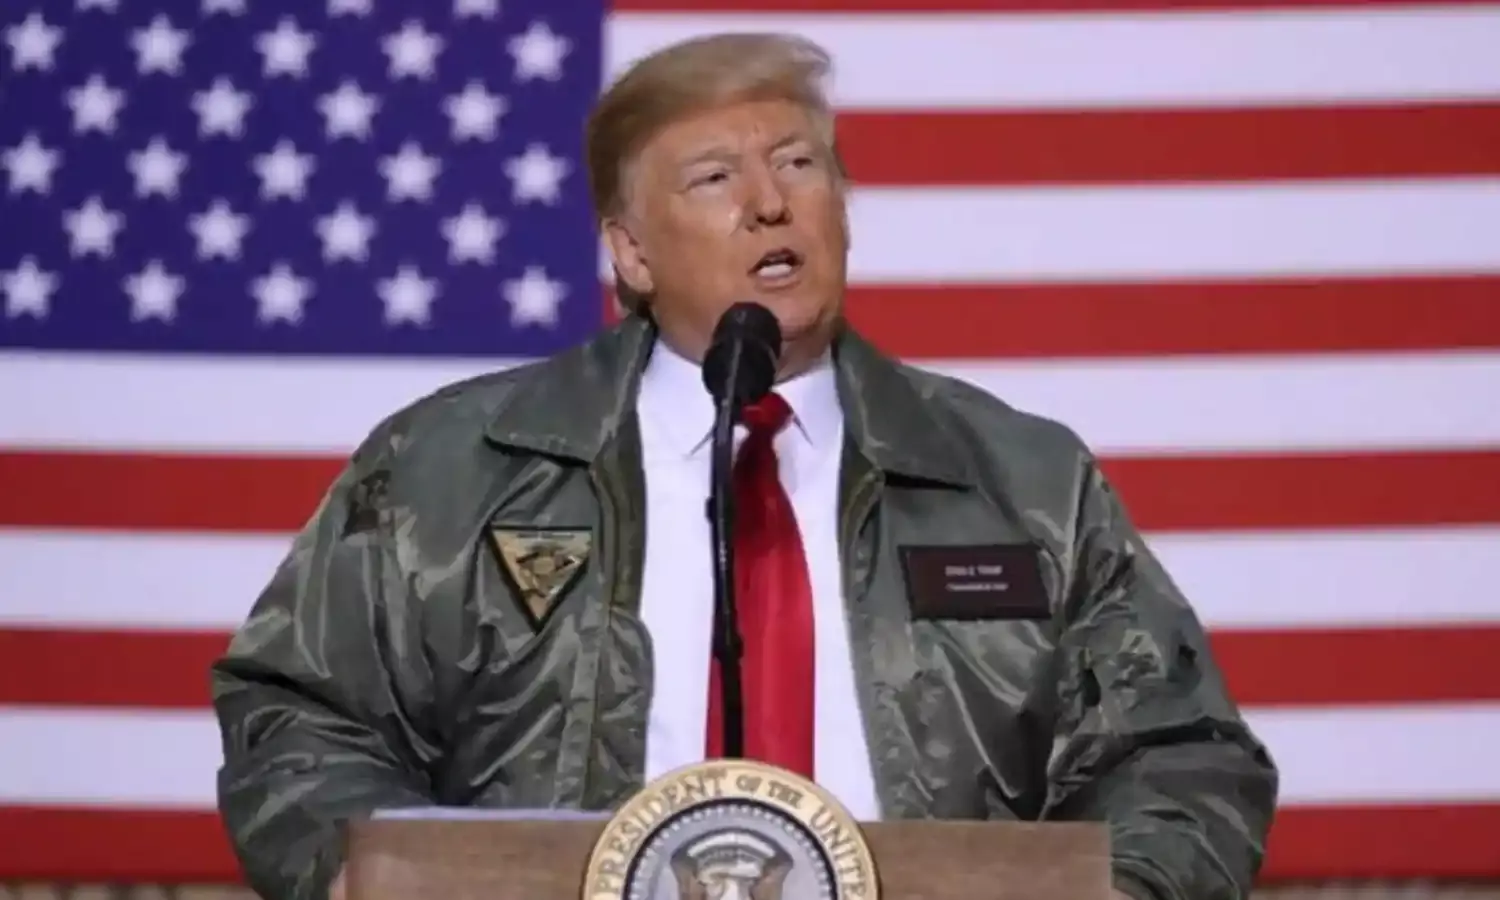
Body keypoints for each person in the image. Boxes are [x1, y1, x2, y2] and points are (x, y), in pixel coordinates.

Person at [210, 31, 1278, 900]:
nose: (772, 202)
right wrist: (366, 878)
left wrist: (1130, 889)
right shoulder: (450, 470)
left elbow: (1178, 753)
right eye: (716, 177)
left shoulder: (1022, 482)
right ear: (631, 251)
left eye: (799, 164)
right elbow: (303, 714)